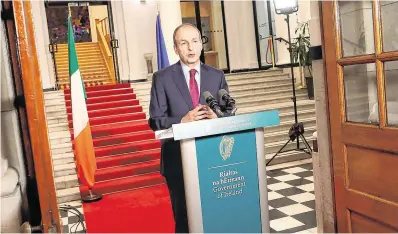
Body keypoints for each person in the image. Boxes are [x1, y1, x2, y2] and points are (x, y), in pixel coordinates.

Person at [148, 23, 229, 233]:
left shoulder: (216, 75)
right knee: (185, 221)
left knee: (217, 216)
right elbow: (155, 120)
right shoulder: (162, 78)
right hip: (178, 160)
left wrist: (217, 116)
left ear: (201, 44)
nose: (191, 48)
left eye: (195, 41)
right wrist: (182, 121)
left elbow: (228, 112)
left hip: (214, 159)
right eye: (184, 43)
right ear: (176, 48)